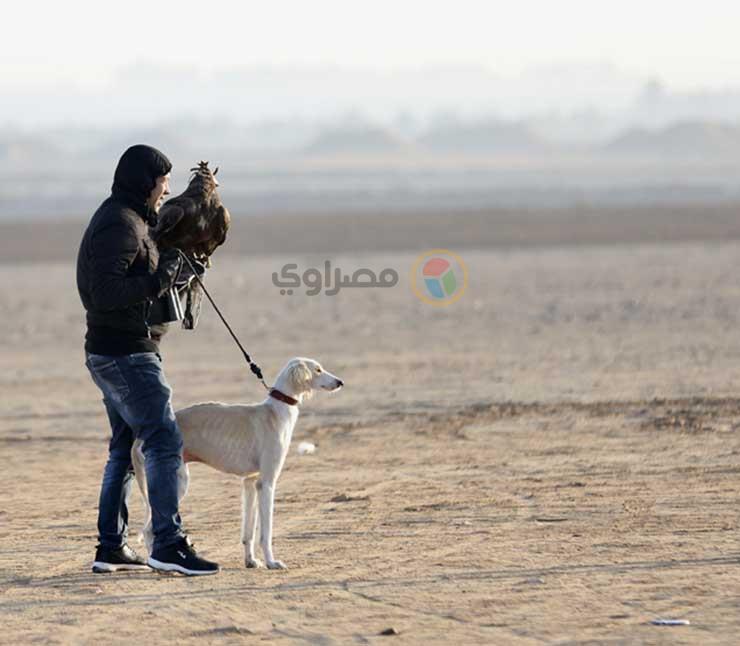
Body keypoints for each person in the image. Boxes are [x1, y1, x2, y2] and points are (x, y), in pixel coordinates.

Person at [76, 144, 219, 576]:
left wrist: (180, 268)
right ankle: (168, 545)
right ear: (146, 182)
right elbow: (103, 293)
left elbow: (137, 273)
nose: (166, 189)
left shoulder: (133, 219)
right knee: (162, 440)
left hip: (116, 348)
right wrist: (160, 278)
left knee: (123, 448)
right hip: (125, 353)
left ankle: (111, 548)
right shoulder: (118, 225)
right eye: (162, 182)